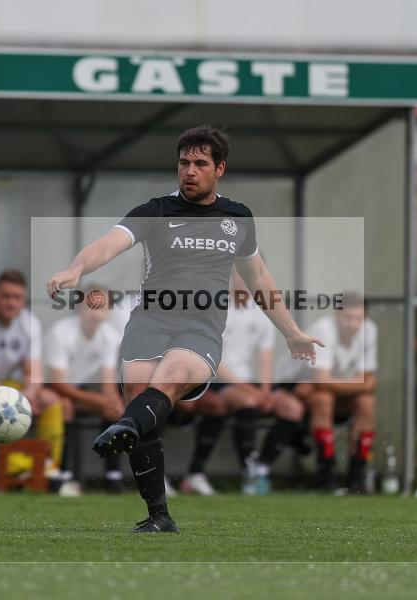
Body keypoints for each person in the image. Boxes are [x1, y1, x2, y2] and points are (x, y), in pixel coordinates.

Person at [47, 125, 322, 533]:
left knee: (169, 379)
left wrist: (292, 332)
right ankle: (159, 516)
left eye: (200, 164)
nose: (189, 171)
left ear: (219, 169)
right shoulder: (155, 211)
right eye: (183, 163)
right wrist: (76, 268)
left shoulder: (237, 218)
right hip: (150, 320)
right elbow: (108, 244)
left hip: (202, 326)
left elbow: (260, 279)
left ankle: (125, 426)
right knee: (140, 398)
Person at [180, 268, 305, 496]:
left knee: (293, 408)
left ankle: (261, 468)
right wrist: (250, 390)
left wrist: (265, 391)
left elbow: (265, 358)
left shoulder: (262, 311)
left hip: (250, 383)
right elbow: (212, 360)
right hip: (217, 380)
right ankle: (248, 473)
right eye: (238, 272)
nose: (242, 278)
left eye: (248, 272)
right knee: (247, 402)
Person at [0, 269, 62, 487]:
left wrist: (26, 396)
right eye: (5, 296)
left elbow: (33, 372)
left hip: (9, 386)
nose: (11, 303)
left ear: (23, 300)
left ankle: (47, 471)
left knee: (51, 402)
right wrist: (9, 398)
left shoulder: (30, 323)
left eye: (16, 298)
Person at [275, 293, 378, 493]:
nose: (353, 324)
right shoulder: (324, 329)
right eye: (348, 318)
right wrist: (360, 384)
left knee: (366, 403)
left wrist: (329, 383)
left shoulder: (370, 330)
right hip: (289, 385)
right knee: (324, 399)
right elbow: (325, 380)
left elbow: (369, 382)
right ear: (337, 315)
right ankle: (326, 477)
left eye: (358, 318)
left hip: (325, 386)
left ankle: (356, 478)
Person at [45, 286, 125, 495]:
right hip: (53, 389)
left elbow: (108, 381)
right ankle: (62, 475)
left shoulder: (110, 335)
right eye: (91, 305)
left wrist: (113, 401)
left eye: (102, 306)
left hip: (79, 389)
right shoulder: (61, 332)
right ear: (79, 307)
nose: (96, 311)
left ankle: (112, 475)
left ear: (108, 311)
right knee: (65, 406)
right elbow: (57, 383)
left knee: (114, 408)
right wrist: (96, 400)